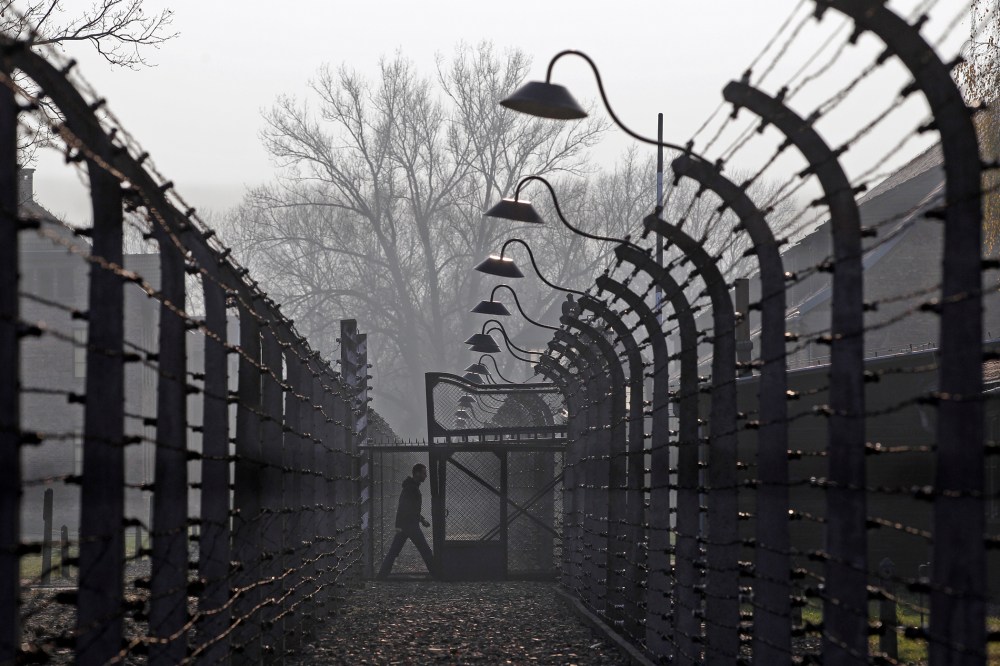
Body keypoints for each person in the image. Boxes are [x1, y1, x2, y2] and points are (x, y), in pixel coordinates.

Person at [375, 462, 436, 579]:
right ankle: (437, 574)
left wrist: (421, 520)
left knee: (393, 552)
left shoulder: (410, 487)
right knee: (425, 551)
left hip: (405, 525)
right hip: (410, 525)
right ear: (417, 473)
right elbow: (405, 508)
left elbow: (409, 508)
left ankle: (381, 576)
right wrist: (417, 520)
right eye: (424, 473)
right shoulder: (411, 489)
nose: (425, 476)